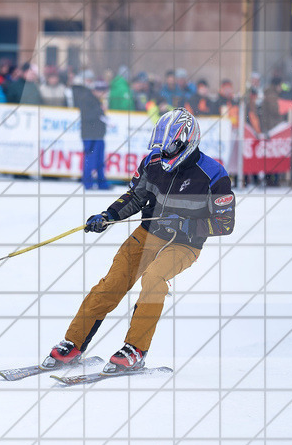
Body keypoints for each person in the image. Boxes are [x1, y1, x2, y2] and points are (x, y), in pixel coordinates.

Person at [42, 108, 235, 372]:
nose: (164, 155)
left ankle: (136, 348)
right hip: (147, 234)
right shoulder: (152, 163)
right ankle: (73, 342)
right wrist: (108, 215)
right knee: (112, 283)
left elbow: (225, 223)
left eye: (170, 149)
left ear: (188, 142)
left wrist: (186, 224)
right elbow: (135, 197)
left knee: (154, 278)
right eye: (162, 149)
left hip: (185, 244)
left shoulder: (214, 174)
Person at [67, 76, 110, 190]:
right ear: (95, 90)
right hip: (89, 135)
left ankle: (102, 183)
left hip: (98, 134)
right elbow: (87, 116)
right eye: (102, 91)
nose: (104, 93)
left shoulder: (96, 100)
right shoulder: (86, 99)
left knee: (100, 160)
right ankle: (88, 183)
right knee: (90, 160)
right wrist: (100, 110)